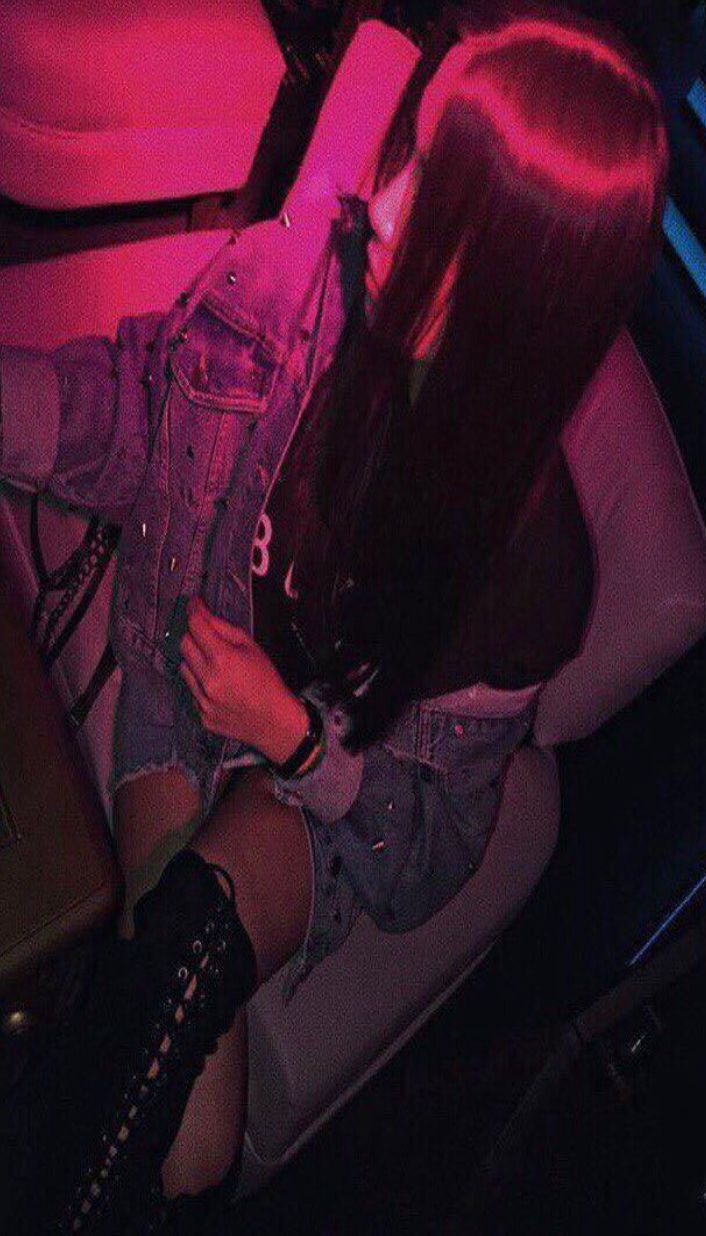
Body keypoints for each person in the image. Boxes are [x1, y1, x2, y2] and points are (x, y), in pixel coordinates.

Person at [0, 5, 668, 1232]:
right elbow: (150, 403)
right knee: (179, 1134)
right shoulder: (314, 269)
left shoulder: (525, 578)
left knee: (188, 1103)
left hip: (311, 792)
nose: (387, 203)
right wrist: (20, 412)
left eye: (439, 197)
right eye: (412, 156)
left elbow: (427, 854)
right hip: (180, 674)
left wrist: (299, 744)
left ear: (518, 285)